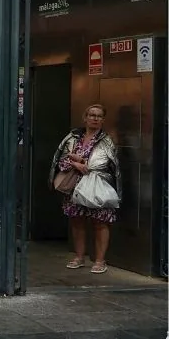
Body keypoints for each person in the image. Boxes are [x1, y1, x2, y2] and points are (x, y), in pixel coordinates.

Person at [50, 103, 121, 274]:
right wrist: (76, 164)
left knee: (100, 222)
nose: (95, 118)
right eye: (92, 115)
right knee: (77, 220)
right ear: (85, 118)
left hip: (98, 185)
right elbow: (61, 160)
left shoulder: (107, 140)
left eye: (99, 116)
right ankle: (79, 257)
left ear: (103, 120)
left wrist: (83, 163)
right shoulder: (72, 137)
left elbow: (108, 164)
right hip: (75, 185)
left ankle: (100, 260)